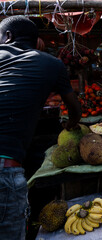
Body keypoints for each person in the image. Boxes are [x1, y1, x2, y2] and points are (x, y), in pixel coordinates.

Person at [0, 16, 81, 239]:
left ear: (7, 37)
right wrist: (69, 124)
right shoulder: (50, 63)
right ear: (36, 41)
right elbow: (75, 111)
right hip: (5, 168)